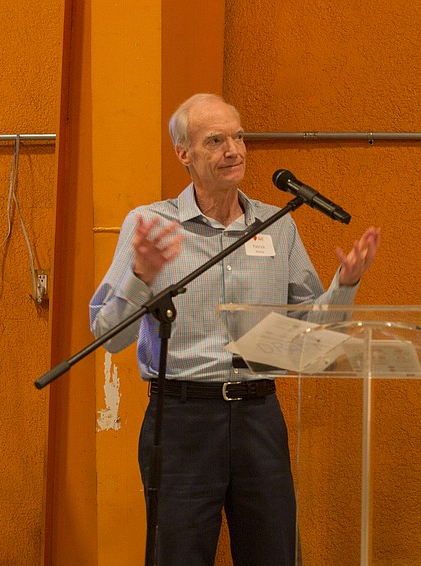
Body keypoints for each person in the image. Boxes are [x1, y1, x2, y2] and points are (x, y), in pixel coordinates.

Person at [89, 93, 380, 565]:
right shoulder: (150, 225)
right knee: (177, 556)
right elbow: (107, 335)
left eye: (239, 136)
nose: (235, 150)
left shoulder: (276, 225)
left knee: (273, 555)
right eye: (216, 140)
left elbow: (313, 334)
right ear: (184, 154)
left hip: (258, 415)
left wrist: (344, 284)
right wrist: (140, 276)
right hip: (181, 419)